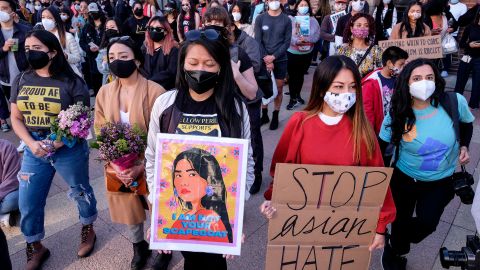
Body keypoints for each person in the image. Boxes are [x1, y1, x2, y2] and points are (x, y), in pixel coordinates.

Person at [260, 55, 396, 253]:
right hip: (303, 222)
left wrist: (381, 227)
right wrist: (274, 200)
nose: (346, 93)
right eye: (338, 87)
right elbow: (281, 170)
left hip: (346, 225)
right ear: (322, 87)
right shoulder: (300, 123)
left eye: (352, 87)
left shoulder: (362, 130)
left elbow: (377, 182)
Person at [145, 28, 254, 270]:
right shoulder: (165, 105)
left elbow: (246, 161)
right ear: (182, 65)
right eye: (193, 62)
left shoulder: (234, 108)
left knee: (214, 264)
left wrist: (236, 215)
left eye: (209, 64)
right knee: (192, 260)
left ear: (221, 68)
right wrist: (157, 211)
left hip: (217, 215)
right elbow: (153, 158)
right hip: (177, 212)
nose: (200, 70)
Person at [9, 29, 98, 270]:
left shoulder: (72, 82)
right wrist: (31, 143)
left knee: (80, 190)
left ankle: (88, 226)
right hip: (33, 148)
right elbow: (15, 118)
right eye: (27, 49)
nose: (31, 53)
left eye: (37, 49)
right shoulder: (21, 79)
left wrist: (55, 142)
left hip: (67, 147)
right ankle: (35, 245)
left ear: (53, 52)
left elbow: (82, 120)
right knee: (28, 200)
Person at [379, 58, 474, 269]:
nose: (424, 83)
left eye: (429, 77)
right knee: (400, 220)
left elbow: (467, 125)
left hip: (441, 181)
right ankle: (395, 250)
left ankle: (398, 237)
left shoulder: (454, 101)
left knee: (428, 223)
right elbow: (382, 145)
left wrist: (464, 146)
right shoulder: (398, 110)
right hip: (404, 179)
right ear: (407, 82)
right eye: (417, 78)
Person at [94, 36, 166, 270]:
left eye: (123, 57)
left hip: (151, 162)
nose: (116, 62)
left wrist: (142, 165)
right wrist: (116, 164)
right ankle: (139, 246)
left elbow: (165, 135)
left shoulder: (156, 92)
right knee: (129, 208)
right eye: (112, 57)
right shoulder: (104, 92)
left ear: (136, 60)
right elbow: (100, 129)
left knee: (158, 206)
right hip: (120, 166)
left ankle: (163, 248)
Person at [166, 148, 232, 243]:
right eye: (178, 175)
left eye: (192, 174)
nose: (183, 182)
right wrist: (157, 237)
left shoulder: (212, 218)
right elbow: (168, 240)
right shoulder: (183, 217)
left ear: (209, 180)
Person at [254, 0, 292, 130]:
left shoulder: (286, 20)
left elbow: (287, 42)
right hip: (263, 59)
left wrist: (274, 57)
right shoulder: (260, 18)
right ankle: (264, 115)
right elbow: (257, 41)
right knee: (264, 88)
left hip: (280, 59)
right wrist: (266, 58)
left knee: (279, 89)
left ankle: (275, 114)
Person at [362, 46, 408, 135]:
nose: (403, 68)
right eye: (401, 64)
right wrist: (370, 134)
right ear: (390, 63)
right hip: (380, 132)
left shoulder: (399, 79)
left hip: (397, 129)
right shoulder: (371, 84)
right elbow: (367, 111)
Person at [0, 0, 31, 132]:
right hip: (5, 78)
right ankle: (23, 134)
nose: (1, 12)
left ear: (12, 11)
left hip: (25, 76)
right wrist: (3, 48)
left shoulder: (25, 30)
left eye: (4, 8)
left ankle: (30, 134)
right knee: (15, 109)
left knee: (28, 107)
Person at [286, 0, 320, 110]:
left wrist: (307, 39)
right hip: (293, 52)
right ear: (297, 7)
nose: (303, 7)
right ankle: (292, 98)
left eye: (305, 5)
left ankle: (298, 95)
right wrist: (296, 41)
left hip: (307, 53)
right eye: (301, 5)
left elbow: (317, 36)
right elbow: (287, 36)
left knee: (300, 75)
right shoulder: (291, 19)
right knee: (292, 76)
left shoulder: (313, 21)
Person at [337, 13, 382, 78]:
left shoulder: (376, 50)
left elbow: (379, 74)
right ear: (351, 29)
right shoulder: (342, 49)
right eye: (359, 25)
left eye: (366, 26)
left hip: (367, 87)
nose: (362, 28)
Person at [41, 6, 83, 76]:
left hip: (65, 74)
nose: (45, 20)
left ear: (56, 20)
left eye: (49, 18)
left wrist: (66, 56)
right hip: (48, 74)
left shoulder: (67, 37)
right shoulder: (41, 36)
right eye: (43, 17)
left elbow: (77, 57)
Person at [142, 15, 179, 90]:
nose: (153, 31)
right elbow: (141, 68)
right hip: (145, 89)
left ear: (165, 31)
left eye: (158, 29)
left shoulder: (174, 50)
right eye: (151, 28)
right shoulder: (144, 48)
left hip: (164, 91)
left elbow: (171, 72)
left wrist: (151, 82)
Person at [423, 0, 458, 77]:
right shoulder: (425, 16)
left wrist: (452, 28)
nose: (448, 4)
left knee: (436, 72)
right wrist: (430, 32)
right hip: (427, 50)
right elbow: (418, 32)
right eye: (446, 2)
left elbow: (455, 24)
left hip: (442, 49)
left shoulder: (446, 14)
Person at [454, 10, 480, 110]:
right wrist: (469, 44)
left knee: (477, 83)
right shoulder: (470, 27)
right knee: (460, 79)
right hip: (467, 56)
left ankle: (473, 105)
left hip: (479, 59)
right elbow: (461, 44)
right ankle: (456, 101)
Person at [80, 2, 105, 96]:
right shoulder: (87, 26)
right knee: (97, 85)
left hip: (105, 60)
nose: (92, 14)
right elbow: (81, 42)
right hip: (93, 61)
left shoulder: (106, 24)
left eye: (94, 12)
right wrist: (89, 48)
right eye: (90, 13)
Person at [0, 139, 20, 227]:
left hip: (6, 192)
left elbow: (12, 180)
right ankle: (3, 217)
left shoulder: (6, 147)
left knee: (14, 199)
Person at [96, 17, 121, 85]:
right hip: (108, 83)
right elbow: (101, 68)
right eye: (107, 28)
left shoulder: (125, 43)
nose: (109, 30)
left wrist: (107, 61)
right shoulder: (103, 48)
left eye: (112, 27)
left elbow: (121, 67)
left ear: (118, 28)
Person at [310, 0, 330, 64]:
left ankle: (314, 59)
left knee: (317, 45)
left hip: (318, 29)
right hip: (323, 30)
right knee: (320, 45)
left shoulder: (319, 9)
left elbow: (315, 19)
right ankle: (319, 57)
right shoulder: (327, 9)